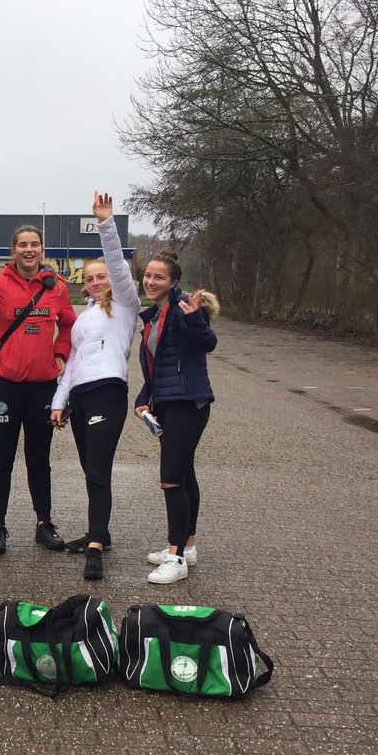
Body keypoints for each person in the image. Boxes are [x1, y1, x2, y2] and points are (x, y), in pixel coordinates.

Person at [0, 224, 75, 556]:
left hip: (42, 389)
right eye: (22, 244)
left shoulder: (56, 288)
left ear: (43, 250)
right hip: (4, 388)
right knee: (1, 460)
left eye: (35, 245)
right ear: (12, 251)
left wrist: (60, 351)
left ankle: (44, 524)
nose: (29, 250)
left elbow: (68, 324)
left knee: (39, 460)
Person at [49, 192, 141, 582]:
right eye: (89, 278)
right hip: (81, 397)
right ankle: (97, 532)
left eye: (100, 275)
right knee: (91, 471)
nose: (96, 281)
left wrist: (106, 224)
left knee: (99, 471)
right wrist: (59, 401)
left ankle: (96, 548)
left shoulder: (124, 304)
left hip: (107, 392)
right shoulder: (85, 318)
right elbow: (70, 363)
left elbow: (118, 266)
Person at [134, 246, 220, 584]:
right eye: (149, 275)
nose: (151, 281)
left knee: (171, 478)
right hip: (167, 403)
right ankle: (189, 546)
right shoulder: (154, 315)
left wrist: (195, 317)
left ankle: (176, 557)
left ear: (173, 282)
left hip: (189, 403)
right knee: (185, 475)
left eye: (159, 277)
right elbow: (156, 367)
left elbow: (207, 343)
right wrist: (144, 398)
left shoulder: (184, 310)